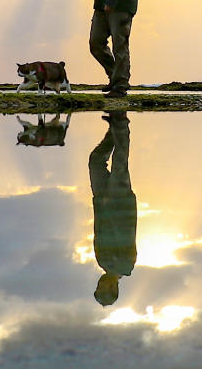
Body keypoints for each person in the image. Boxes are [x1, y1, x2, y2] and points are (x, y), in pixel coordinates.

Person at [89, 111, 136, 306]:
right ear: (112, 288)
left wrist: (100, 204)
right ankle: (121, 123)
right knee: (120, 162)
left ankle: (113, 130)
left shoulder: (103, 263)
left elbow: (98, 230)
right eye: (101, 289)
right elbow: (122, 231)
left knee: (96, 161)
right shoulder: (125, 264)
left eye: (97, 288)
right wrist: (109, 206)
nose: (98, 285)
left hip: (102, 201)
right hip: (119, 202)